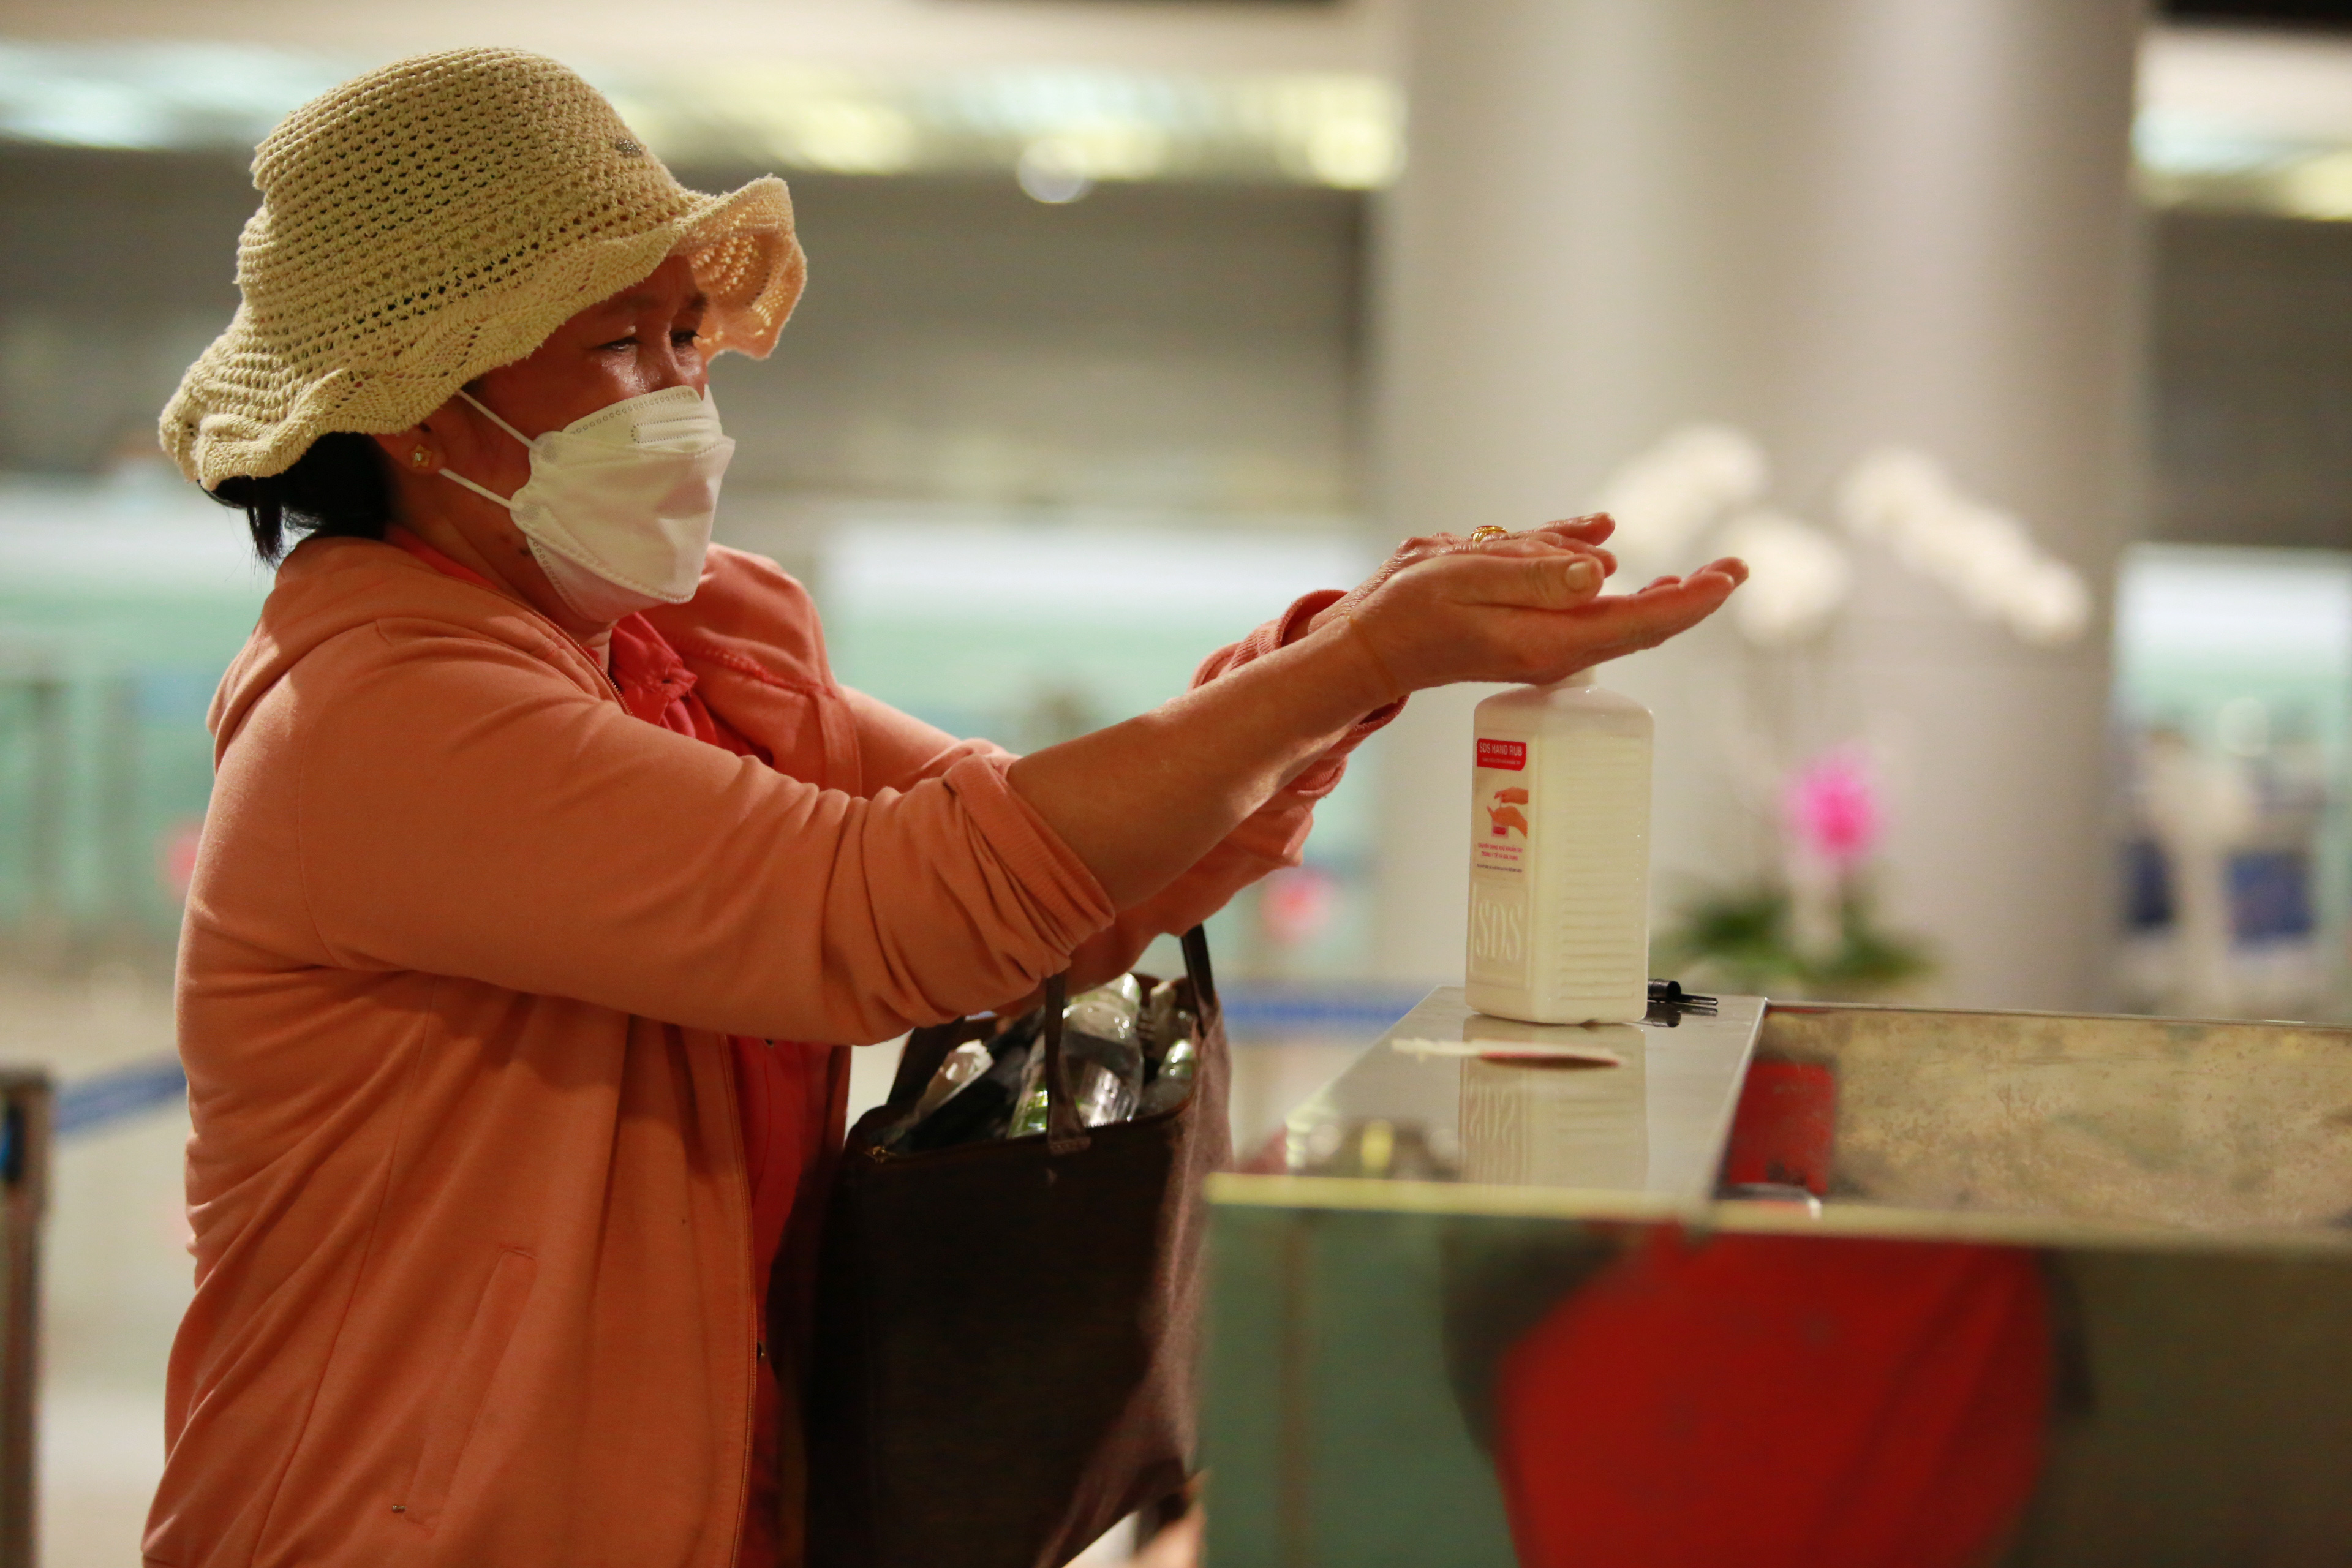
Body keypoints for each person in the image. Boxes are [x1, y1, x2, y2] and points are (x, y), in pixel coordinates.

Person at [143, 47, 1744, 1568]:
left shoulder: (672, 660)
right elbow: (896, 909)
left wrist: (1339, 665)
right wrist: (1352, 665)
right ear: (420, 407)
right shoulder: (384, 717)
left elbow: (1054, 879)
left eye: (688, 336)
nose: (682, 391)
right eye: (619, 346)